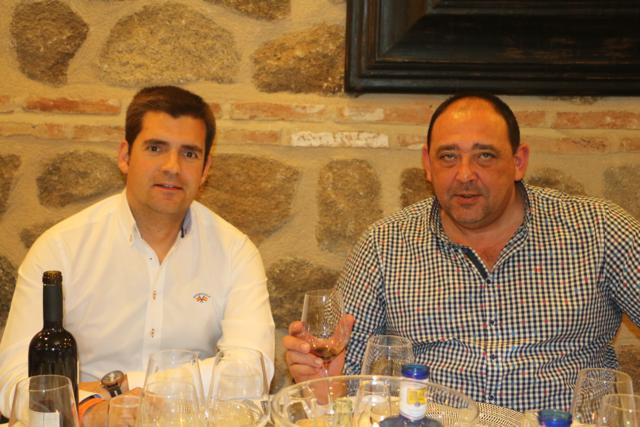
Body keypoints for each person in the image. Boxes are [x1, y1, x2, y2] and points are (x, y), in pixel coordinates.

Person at [284, 93, 640, 412]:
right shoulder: (385, 244)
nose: (465, 174)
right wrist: (326, 382)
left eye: (485, 156)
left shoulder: (600, 229)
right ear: (428, 164)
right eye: (448, 157)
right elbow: (339, 377)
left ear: (518, 161)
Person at [0, 86, 275, 421]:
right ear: (125, 156)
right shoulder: (60, 249)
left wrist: (119, 387)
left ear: (205, 170)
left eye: (189, 154)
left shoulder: (235, 252)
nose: (172, 167)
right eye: (155, 148)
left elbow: (251, 374)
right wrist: (90, 410)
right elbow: (13, 383)